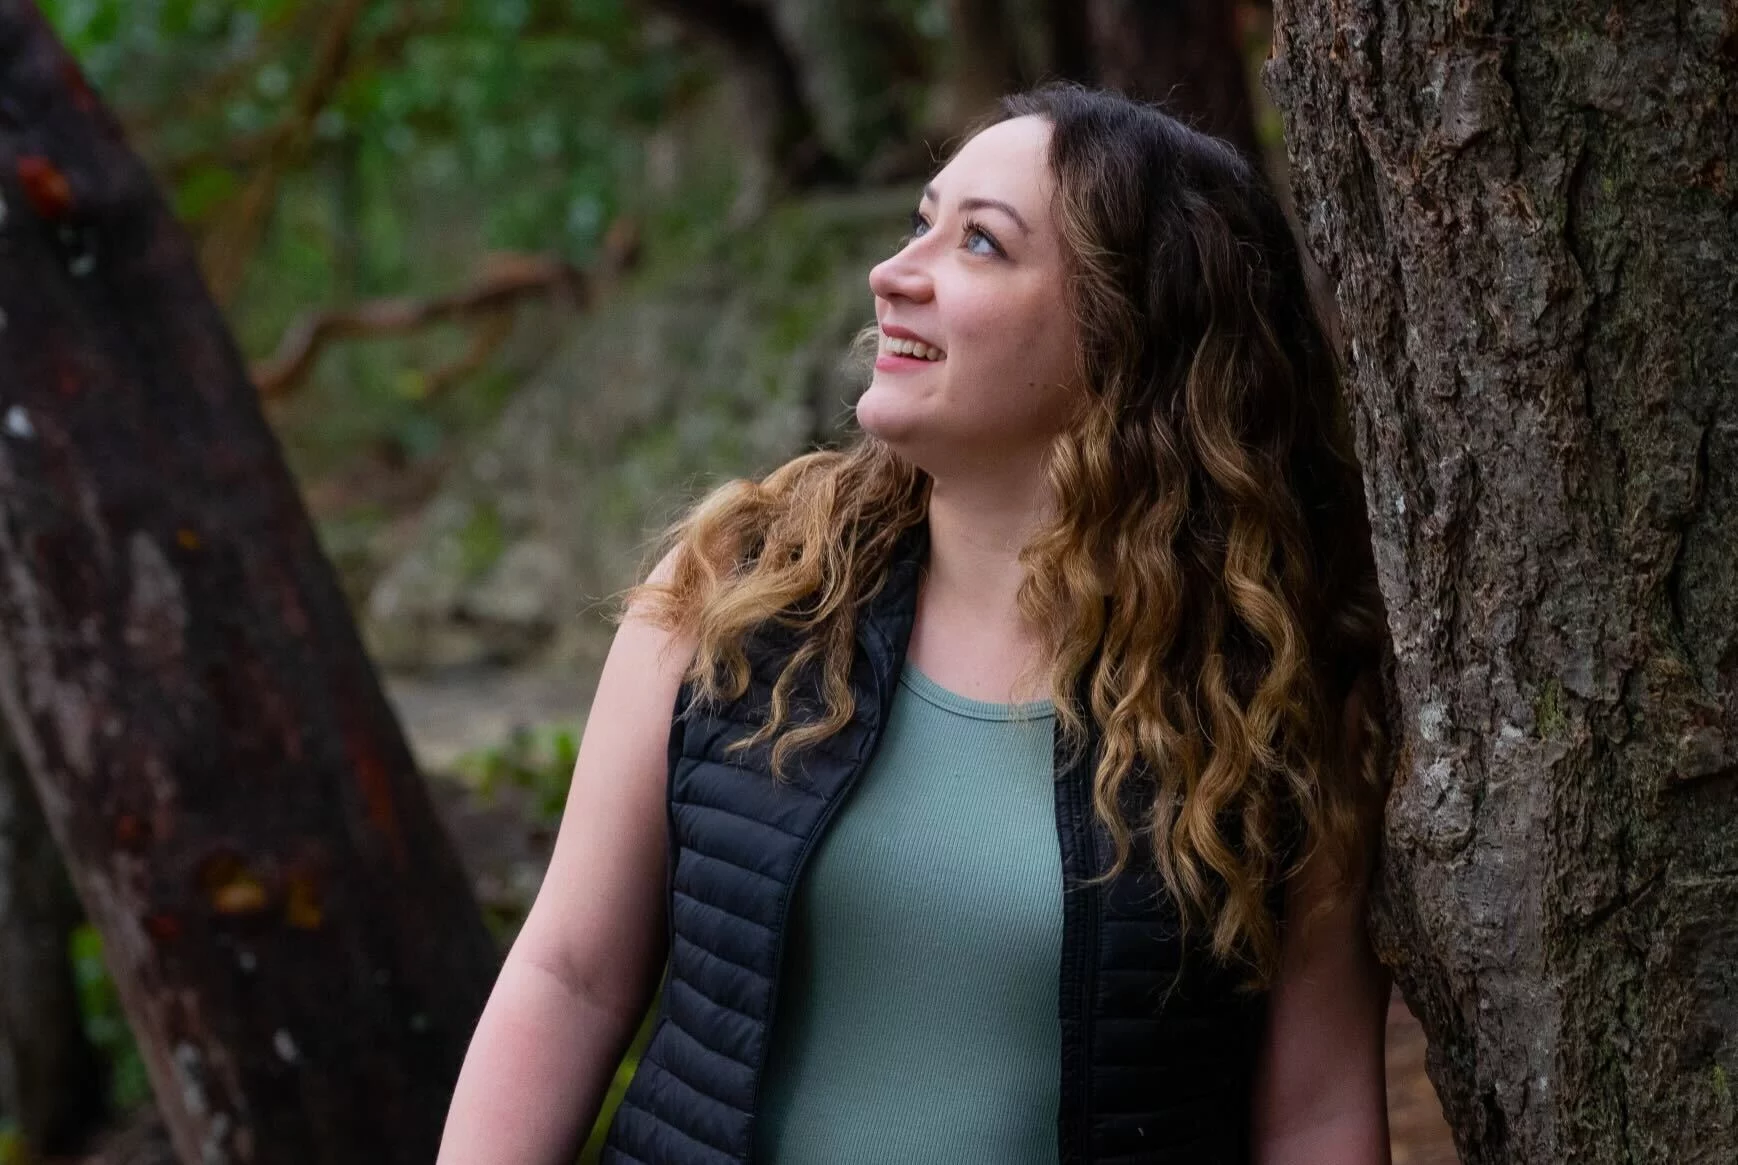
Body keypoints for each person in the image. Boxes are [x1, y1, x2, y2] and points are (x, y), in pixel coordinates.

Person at [437, 81, 1393, 1165]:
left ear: (1130, 328)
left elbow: (1313, 1113)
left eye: (979, 244)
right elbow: (568, 974)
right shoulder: (745, 589)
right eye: (918, 223)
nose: (894, 275)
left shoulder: (1271, 692)